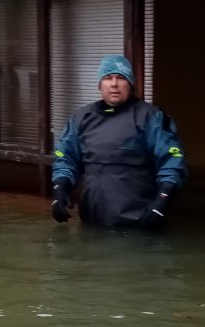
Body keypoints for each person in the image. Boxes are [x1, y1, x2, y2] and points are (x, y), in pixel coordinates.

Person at [51, 55, 187, 230]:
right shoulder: (81, 119)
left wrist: (162, 201)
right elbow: (65, 157)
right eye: (108, 78)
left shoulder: (151, 117)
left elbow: (172, 160)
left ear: (130, 84)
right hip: (92, 220)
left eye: (121, 77)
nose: (114, 84)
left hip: (140, 221)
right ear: (100, 85)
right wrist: (60, 189)